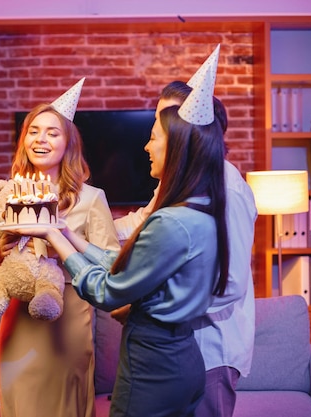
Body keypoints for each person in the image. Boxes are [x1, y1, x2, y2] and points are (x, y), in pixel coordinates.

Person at [14, 55, 229, 416]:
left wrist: (56, 238)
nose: (146, 147)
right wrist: (70, 234)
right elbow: (128, 267)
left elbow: (108, 290)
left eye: (153, 138)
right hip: (182, 358)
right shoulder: (198, 212)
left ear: (177, 148)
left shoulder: (171, 222)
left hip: (154, 365)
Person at [113, 72, 257, 417]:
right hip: (176, 351)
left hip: (211, 349)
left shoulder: (228, 186)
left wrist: (154, 305)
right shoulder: (178, 181)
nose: (157, 139)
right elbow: (138, 225)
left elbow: (232, 281)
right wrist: (76, 224)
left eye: (169, 125)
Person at [0, 78, 120, 417]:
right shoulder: (11, 193)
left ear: (68, 144)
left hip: (68, 315)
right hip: (19, 316)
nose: (40, 139)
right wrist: (2, 246)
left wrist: (60, 239)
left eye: (52, 133)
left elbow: (110, 264)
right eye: (34, 131)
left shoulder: (91, 198)